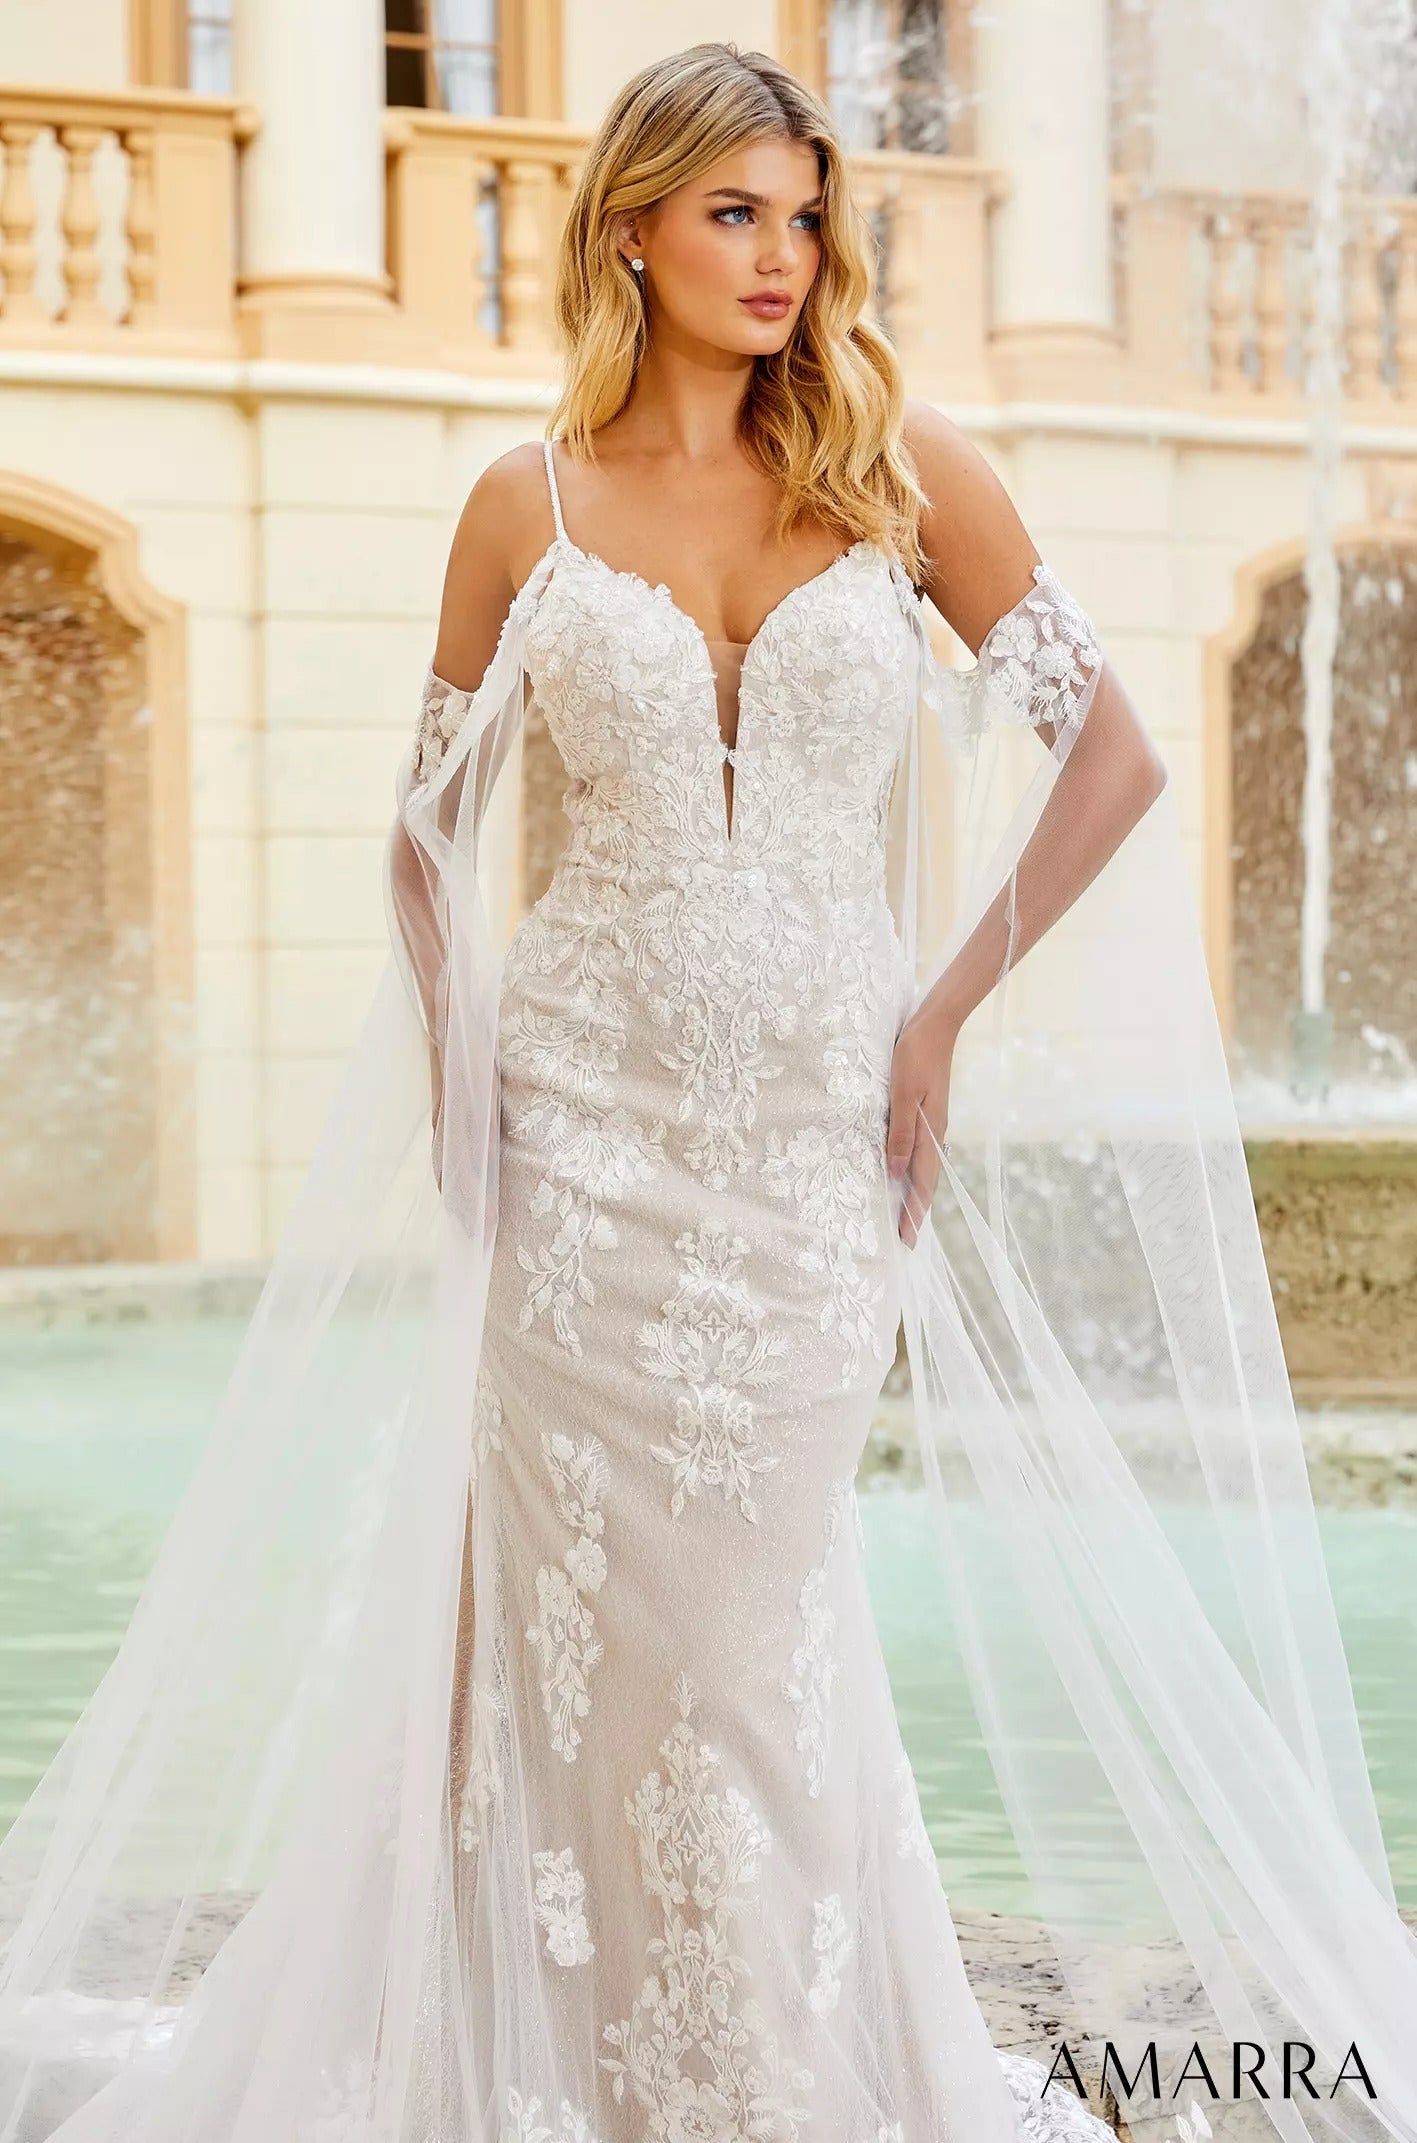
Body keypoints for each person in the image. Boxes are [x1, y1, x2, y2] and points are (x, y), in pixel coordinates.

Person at [4, 39, 1417, 2143]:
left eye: (801, 212)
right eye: (732, 212)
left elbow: (1109, 756)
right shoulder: (527, 506)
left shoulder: (901, 464)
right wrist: (461, 1034)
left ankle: (761, 2071)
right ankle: (567, 2066)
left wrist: (936, 1011)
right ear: (633, 228)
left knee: (756, 1626)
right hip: (579, 1154)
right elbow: (421, 827)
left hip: (807, 1162)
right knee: (580, 1650)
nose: (779, 255)